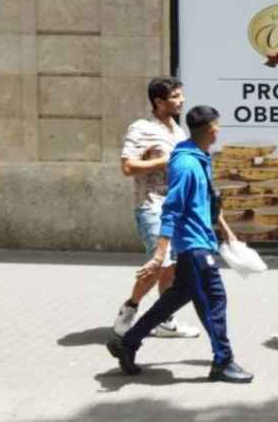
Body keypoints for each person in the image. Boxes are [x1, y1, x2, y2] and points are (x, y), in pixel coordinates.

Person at [107, 105, 253, 383]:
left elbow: (208, 202)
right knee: (214, 301)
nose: (219, 130)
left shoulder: (198, 157)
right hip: (193, 247)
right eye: (217, 126)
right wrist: (160, 254)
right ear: (210, 129)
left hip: (200, 242)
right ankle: (223, 362)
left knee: (172, 300)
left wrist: (227, 231)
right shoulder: (186, 164)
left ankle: (128, 342)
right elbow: (171, 208)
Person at [111, 77, 199, 339]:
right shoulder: (141, 128)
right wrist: (164, 160)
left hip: (177, 208)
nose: (181, 100)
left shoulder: (178, 131)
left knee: (171, 267)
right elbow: (128, 167)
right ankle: (130, 308)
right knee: (159, 264)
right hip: (151, 205)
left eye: (181, 95)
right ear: (158, 102)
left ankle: (165, 320)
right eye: (175, 97)